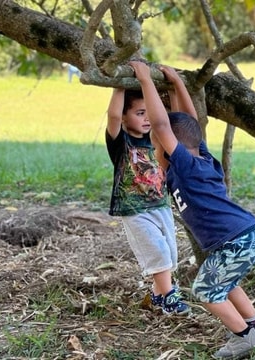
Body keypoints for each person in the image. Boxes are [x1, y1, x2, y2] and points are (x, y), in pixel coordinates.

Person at [129, 61, 255, 360]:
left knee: (206, 290)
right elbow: (189, 121)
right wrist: (176, 83)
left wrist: (146, 81)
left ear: (171, 148)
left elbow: (163, 125)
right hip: (247, 236)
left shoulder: (186, 165)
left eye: (157, 146)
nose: (156, 149)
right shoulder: (200, 155)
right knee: (225, 282)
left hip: (238, 240)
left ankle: (245, 338)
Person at [105, 70, 190, 316]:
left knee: (170, 254)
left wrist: (173, 87)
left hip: (161, 206)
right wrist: (119, 82)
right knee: (158, 252)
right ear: (124, 117)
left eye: (148, 114)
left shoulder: (155, 139)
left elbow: (171, 121)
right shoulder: (121, 143)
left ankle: (157, 295)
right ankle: (170, 295)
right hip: (134, 209)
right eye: (139, 113)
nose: (146, 119)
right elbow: (111, 115)